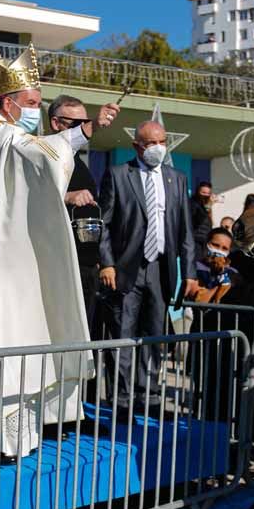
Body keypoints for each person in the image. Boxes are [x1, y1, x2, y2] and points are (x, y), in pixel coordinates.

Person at [0, 47, 120, 458]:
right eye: (31, 104)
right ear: (7, 101)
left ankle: (4, 435)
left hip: (4, 251)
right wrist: (80, 134)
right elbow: (36, 156)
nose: (35, 111)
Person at [99, 119, 198, 401]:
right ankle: (121, 396)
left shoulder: (176, 178)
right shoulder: (119, 174)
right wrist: (107, 262)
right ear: (136, 146)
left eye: (162, 142)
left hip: (161, 268)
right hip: (125, 269)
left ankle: (149, 393)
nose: (158, 148)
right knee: (123, 335)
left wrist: (189, 272)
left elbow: (185, 230)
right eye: (151, 143)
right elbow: (103, 223)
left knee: (154, 334)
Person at [48, 94, 102, 336]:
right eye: (76, 125)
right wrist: (67, 196)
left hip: (87, 264)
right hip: (59, 262)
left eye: (86, 123)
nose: (84, 130)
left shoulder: (79, 161)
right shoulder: (45, 154)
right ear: (56, 123)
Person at [194, 227, 240, 304]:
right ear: (206, 243)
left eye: (224, 248)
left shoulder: (232, 273)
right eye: (215, 245)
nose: (219, 250)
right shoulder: (193, 267)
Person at [190, 181, 214, 256]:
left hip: (205, 242)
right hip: (196, 242)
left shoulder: (205, 205)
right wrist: (208, 207)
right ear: (198, 192)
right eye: (203, 193)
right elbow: (197, 220)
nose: (206, 195)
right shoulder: (192, 203)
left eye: (208, 193)